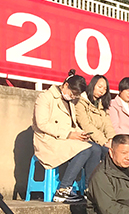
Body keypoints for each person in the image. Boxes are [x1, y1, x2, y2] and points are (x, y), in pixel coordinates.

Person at [32, 71, 102, 203]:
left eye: (76, 95)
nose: (73, 96)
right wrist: (69, 134)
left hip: (64, 139)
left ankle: (89, 189)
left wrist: (80, 134)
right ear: (65, 85)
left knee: (96, 148)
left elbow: (71, 125)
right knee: (85, 149)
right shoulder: (45, 97)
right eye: (72, 93)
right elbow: (42, 124)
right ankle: (63, 189)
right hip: (48, 140)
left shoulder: (70, 102)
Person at [74, 74, 115, 153]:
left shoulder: (102, 104)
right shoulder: (80, 102)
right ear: (93, 85)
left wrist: (111, 139)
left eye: (105, 89)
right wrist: (104, 142)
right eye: (99, 87)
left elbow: (108, 125)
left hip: (103, 140)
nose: (102, 91)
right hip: (88, 139)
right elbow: (86, 125)